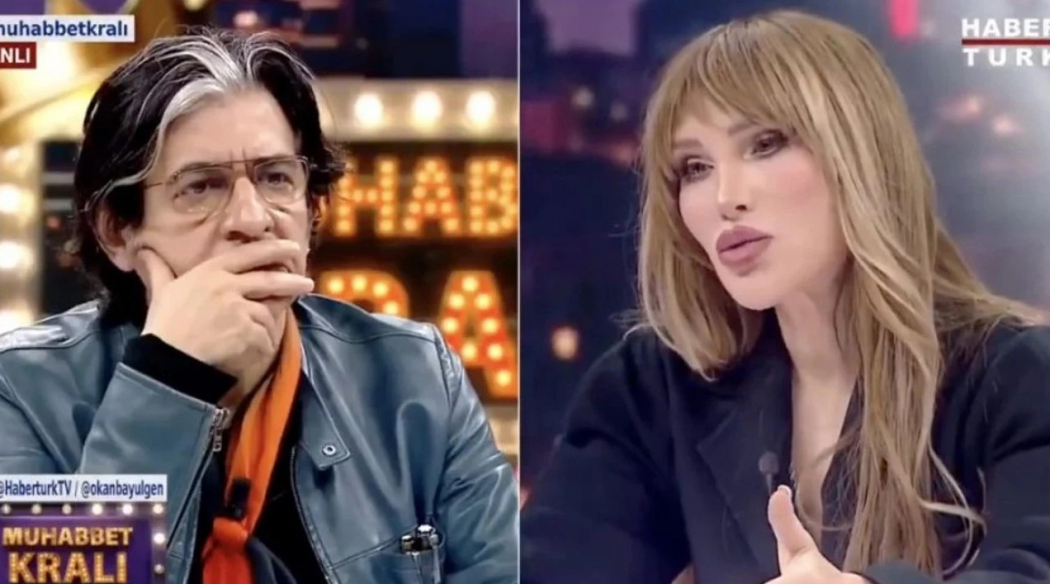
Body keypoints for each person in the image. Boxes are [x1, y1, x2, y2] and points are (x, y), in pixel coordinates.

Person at [521, 9, 1050, 584]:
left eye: (765, 143)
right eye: (695, 167)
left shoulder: (1018, 378)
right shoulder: (655, 387)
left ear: (859, 155)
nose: (725, 197)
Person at [0, 28, 518, 584]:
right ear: (118, 232)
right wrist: (168, 381)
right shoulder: (22, 391)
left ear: (311, 207)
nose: (252, 218)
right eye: (201, 187)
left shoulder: (418, 379)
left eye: (276, 178)